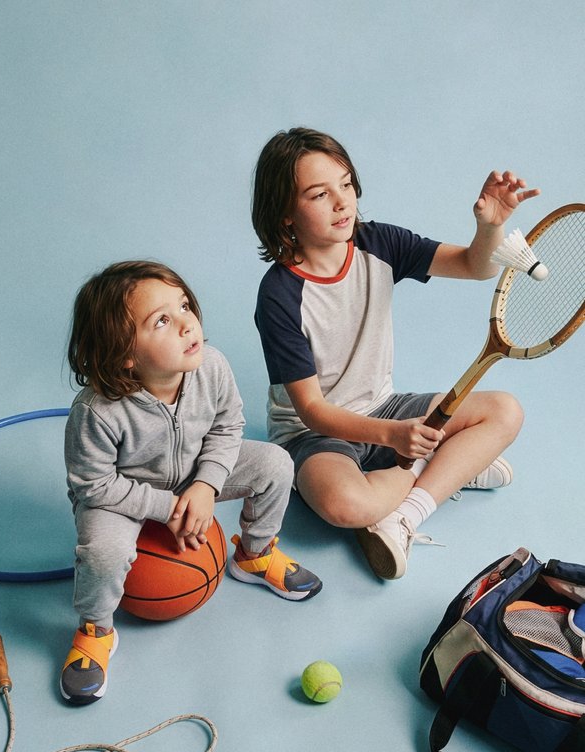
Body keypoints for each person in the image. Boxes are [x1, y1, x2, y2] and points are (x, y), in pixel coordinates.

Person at [252, 127, 540, 582]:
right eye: (319, 194)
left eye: (346, 184)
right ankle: (442, 467)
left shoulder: (379, 244)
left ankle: (403, 515)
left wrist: (490, 228)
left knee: (505, 411)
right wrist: (394, 437)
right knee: (345, 505)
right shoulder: (279, 296)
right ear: (285, 215)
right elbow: (311, 410)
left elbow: (474, 265)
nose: (342, 202)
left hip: (387, 406)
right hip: (315, 434)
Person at [62, 260, 321, 705]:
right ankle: (95, 629)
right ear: (125, 353)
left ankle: (254, 555)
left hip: (194, 473)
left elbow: (227, 427)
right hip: (121, 496)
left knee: (276, 464)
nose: (187, 322)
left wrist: (205, 488)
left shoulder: (211, 366)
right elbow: (94, 486)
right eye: (162, 320)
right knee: (104, 552)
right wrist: (170, 508)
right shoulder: (97, 412)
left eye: (183, 305)